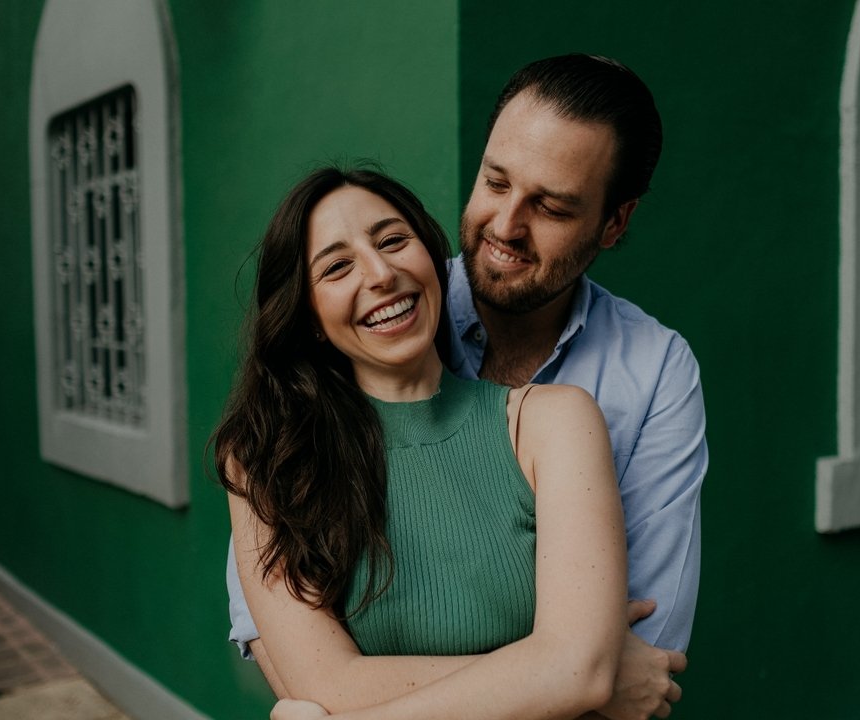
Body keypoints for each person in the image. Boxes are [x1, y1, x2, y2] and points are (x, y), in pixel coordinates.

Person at [227, 53, 706, 716]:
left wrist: (577, 668)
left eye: (553, 206)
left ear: (613, 223)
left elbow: (638, 662)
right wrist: (552, 668)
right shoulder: (318, 398)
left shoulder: (648, 376)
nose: (505, 227)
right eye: (496, 181)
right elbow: (300, 663)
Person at [215, 166, 636, 719]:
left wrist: (573, 669)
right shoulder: (264, 463)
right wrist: (549, 669)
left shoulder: (553, 422)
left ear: (434, 263)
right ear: (311, 318)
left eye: (393, 241)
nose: (381, 273)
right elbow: (325, 683)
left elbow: (579, 671)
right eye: (337, 267)